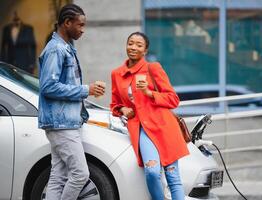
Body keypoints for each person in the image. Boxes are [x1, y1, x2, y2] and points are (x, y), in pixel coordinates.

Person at [110, 32, 189, 200]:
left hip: (163, 127)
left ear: (145, 50)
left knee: (173, 177)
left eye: (139, 45)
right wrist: (123, 110)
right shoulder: (117, 74)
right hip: (141, 130)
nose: (133, 47)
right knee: (152, 172)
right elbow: (115, 104)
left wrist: (149, 92)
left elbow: (173, 99)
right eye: (130, 43)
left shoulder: (153, 68)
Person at [38, 4, 105, 200]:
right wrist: (86, 90)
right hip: (61, 124)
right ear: (67, 23)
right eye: (80, 25)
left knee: (58, 176)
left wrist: (86, 91)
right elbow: (48, 87)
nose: (83, 29)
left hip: (65, 122)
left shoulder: (66, 47)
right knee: (80, 174)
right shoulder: (56, 49)